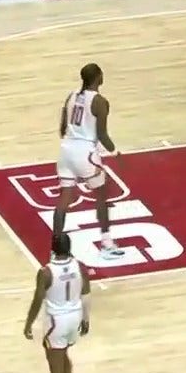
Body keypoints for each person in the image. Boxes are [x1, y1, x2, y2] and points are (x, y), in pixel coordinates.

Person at [54, 63, 121, 259]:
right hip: (85, 152)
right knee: (101, 195)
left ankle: (55, 247)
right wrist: (115, 152)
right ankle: (107, 243)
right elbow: (102, 134)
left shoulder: (71, 96)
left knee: (63, 200)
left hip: (66, 150)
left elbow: (62, 128)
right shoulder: (100, 101)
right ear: (98, 77)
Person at [22, 233, 91, 373]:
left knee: (56, 369)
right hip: (75, 317)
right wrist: (86, 319)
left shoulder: (46, 272)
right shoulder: (79, 266)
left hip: (56, 322)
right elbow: (86, 294)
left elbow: (37, 300)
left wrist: (28, 324)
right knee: (64, 354)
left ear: (52, 248)